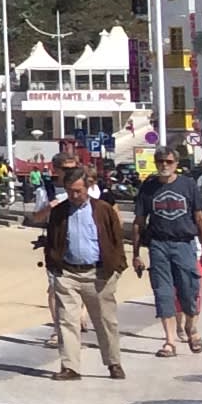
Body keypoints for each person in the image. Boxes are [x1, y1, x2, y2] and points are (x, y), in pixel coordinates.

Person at [38, 163, 127, 381]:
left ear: (88, 187)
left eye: (78, 190)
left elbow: (116, 239)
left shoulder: (103, 210)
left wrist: (117, 268)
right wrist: (54, 266)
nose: (74, 195)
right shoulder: (59, 211)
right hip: (67, 273)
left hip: (98, 273)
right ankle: (70, 367)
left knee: (105, 321)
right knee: (67, 320)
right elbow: (52, 240)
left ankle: (113, 363)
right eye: (70, 191)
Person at [131, 151, 202, 357]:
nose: (164, 165)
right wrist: (136, 253)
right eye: (160, 161)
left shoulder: (188, 185)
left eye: (169, 161)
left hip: (184, 244)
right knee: (163, 293)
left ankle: (191, 328)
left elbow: (200, 219)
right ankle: (169, 342)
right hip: (158, 245)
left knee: (189, 290)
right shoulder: (148, 188)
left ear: (176, 163)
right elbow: (139, 223)